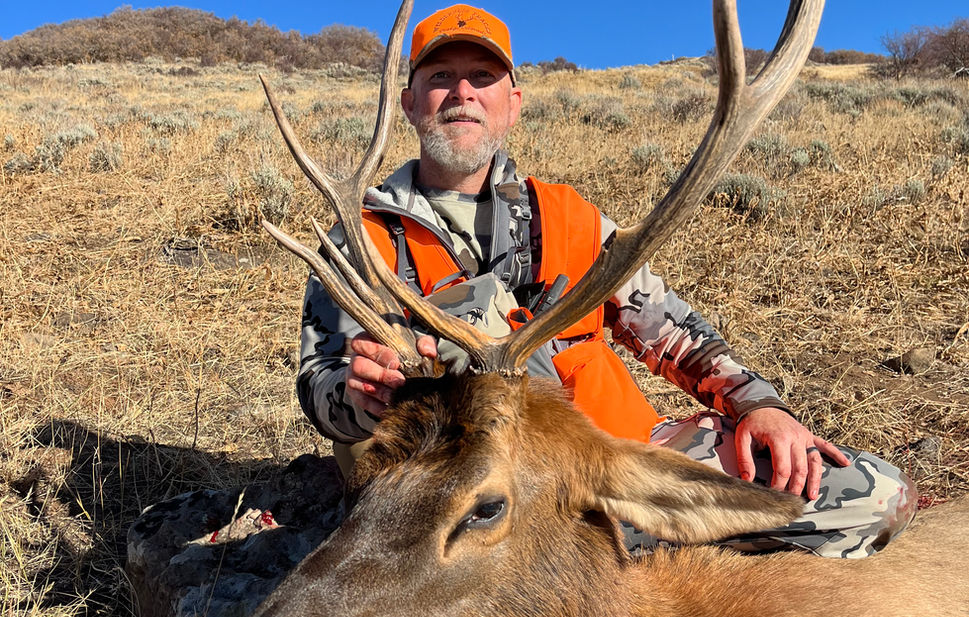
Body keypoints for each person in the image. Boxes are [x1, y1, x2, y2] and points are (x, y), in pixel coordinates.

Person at [297, 4, 916, 558]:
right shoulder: (360, 239)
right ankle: (633, 562)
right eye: (439, 77)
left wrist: (760, 405)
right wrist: (355, 398)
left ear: (513, 102)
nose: (462, 92)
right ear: (410, 101)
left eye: (482, 78)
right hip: (456, 503)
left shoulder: (571, 218)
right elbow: (318, 383)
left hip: (610, 469)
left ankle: (627, 560)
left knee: (874, 496)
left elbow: (673, 332)